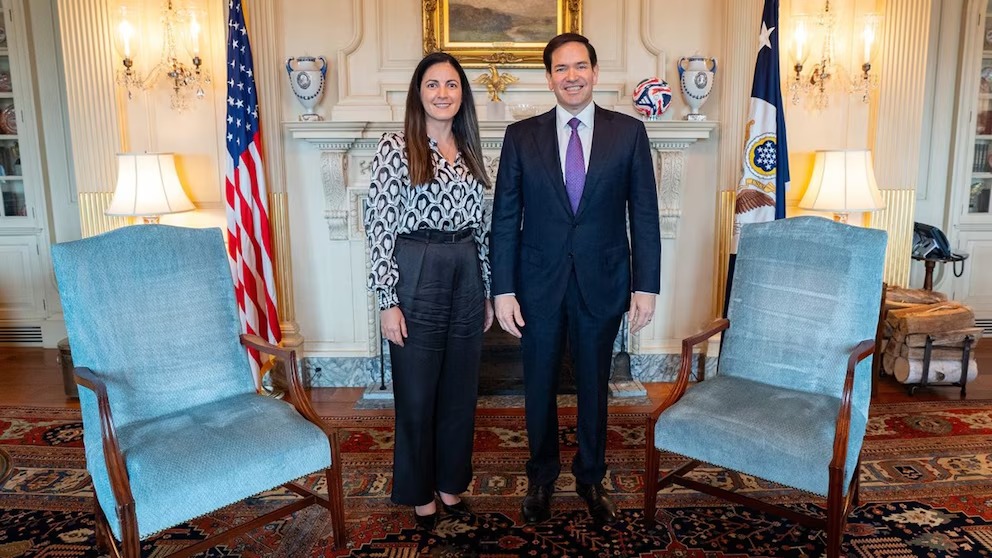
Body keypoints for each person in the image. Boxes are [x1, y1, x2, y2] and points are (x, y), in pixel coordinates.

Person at [490, 33, 661, 525]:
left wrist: (646, 286)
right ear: (549, 78)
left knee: (594, 386)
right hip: (536, 285)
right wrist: (503, 289)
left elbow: (643, 215)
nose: (572, 76)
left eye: (580, 66)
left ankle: (591, 477)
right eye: (561, 68)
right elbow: (505, 218)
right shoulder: (520, 136)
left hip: (603, 282)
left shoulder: (628, 133)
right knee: (539, 386)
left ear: (595, 72)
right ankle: (541, 477)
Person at [364, 51, 494, 531]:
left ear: (463, 94)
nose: (443, 93)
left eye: (452, 84)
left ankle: (449, 484)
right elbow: (379, 226)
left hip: (466, 272)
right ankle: (420, 493)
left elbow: (482, 229)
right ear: (418, 93)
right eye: (433, 84)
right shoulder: (395, 146)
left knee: (460, 391)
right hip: (417, 269)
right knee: (418, 393)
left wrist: (486, 289)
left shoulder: (471, 148)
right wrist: (388, 301)